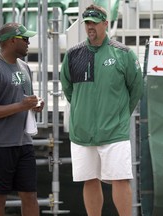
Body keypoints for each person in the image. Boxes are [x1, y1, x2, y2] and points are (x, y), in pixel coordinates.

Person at [60, 4, 143, 216]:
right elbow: (68, 90)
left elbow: (136, 89)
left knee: (120, 179)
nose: (90, 27)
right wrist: (83, 111)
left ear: (105, 24)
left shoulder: (124, 54)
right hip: (82, 132)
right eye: (87, 23)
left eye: (94, 23)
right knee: (89, 179)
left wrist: (119, 115)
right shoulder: (72, 55)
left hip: (114, 130)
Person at [0, 22, 44, 216]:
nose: (29, 42)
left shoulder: (25, 68)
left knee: (30, 195)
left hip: (24, 144)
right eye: (25, 38)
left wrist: (34, 106)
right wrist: (21, 106)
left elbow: (24, 101)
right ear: (12, 40)